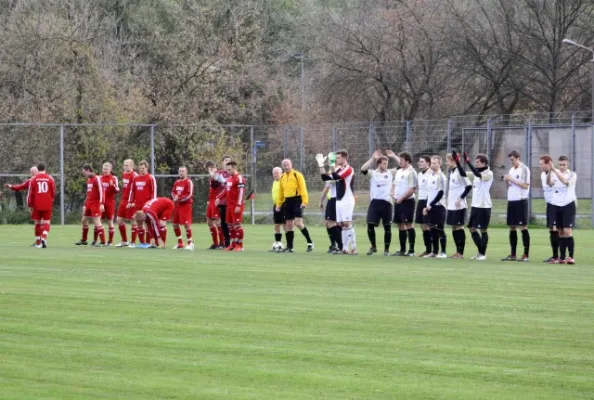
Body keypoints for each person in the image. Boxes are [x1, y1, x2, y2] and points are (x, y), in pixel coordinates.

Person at [318, 150, 356, 254]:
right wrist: (321, 165)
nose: (336, 160)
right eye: (335, 158)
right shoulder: (339, 170)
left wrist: (331, 164)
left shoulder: (349, 169)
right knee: (341, 224)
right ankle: (344, 249)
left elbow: (336, 176)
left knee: (347, 223)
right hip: (339, 200)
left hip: (347, 199)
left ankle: (353, 248)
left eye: (338, 158)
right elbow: (325, 177)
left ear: (344, 158)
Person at [360, 150, 396, 256]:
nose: (386, 165)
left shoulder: (390, 173)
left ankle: (386, 250)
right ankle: (373, 246)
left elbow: (401, 165)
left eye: (387, 163)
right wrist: (372, 159)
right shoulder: (373, 174)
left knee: (387, 227)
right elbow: (363, 169)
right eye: (384, 163)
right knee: (370, 225)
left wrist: (393, 156)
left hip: (387, 203)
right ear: (379, 164)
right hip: (375, 203)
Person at [275, 158, 314, 252]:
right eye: (284, 165)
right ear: (282, 167)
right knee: (289, 224)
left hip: (297, 200)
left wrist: (305, 201)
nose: (286, 167)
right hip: (287, 201)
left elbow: (303, 188)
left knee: (298, 223)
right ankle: (290, 247)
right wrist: (279, 204)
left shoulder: (297, 175)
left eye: (288, 165)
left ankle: (310, 242)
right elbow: (281, 192)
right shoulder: (282, 177)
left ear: (291, 165)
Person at [501, 150, 531, 262]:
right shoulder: (511, 170)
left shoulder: (524, 169)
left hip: (520, 201)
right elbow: (510, 185)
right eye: (510, 160)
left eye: (513, 160)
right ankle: (513, 254)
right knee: (512, 227)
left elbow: (525, 185)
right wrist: (507, 180)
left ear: (518, 158)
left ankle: (525, 254)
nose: (511, 162)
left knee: (523, 227)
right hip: (512, 201)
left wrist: (512, 179)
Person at [463, 152, 494, 260]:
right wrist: (457, 161)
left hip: (484, 206)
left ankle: (482, 254)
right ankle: (480, 252)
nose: (476, 164)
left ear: (484, 163)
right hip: (475, 205)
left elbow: (477, 174)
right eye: (475, 162)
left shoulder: (489, 173)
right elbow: (463, 173)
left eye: (477, 162)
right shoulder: (476, 173)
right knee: (471, 228)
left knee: (483, 230)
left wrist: (468, 162)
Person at [548, 156, 577, 264]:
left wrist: (554, 170)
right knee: (560, 231)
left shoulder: (572, 175)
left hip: (568, 205)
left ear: (567, 164)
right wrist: (549, 171)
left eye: (564, 164)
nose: (562, 167)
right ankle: (562, 257)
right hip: (557, 205)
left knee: (567, 231)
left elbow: (565, 181)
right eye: (560, 164)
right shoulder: (554, 173)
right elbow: (549, 183)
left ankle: (571, 256)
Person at [445, 152, 472, 259]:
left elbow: (469, 186)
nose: (446, 163)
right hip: (451, 206)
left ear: (452, 161)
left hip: (459, 206)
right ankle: (457, 252)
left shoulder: (460, 172)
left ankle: (461, 253)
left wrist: (460, 198)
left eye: (447, 161)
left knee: (459, 227)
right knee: (454, 227)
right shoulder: (452, 172)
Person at [5, 166, 40, 245]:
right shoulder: (30, 181)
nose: (31, 174)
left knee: (38, 222)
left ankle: (40, 240)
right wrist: (12, 186)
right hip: (33, 205)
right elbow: (21, 186)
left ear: (37, 172)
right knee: (38, 222)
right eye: (31, 172)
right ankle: (40, 239)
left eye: (32, 172)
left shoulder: (34, 181)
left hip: (36, 205)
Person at [391, 151, 417, 256]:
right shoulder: (399, 171)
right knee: (400, 224)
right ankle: (402, 250)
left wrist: (402, 198)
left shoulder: (412, 172)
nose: (400, 162)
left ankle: (411, 250)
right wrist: (392, 192)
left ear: (407, 161)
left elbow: (412, 189)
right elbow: (394, 184)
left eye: (401, 160)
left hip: (407, 201)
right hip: (398, 201)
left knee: (408, 224)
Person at [216, 161, 246, 251]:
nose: (228, 171)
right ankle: (233, 244)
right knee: (230, 225)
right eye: (227, 170)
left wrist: (238, 205)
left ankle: (240, 245)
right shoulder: (229, 179)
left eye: (229, 169)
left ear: (234, 168)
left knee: (237, 225)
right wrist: (219, 197)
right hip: (229, 205)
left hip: (236, 205)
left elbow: (241, 192)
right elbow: (226, 190)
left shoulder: (239, 178)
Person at [127, 160, 157, 248]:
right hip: (138, 205)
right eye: (140, 168)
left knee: (148, 224)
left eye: (143, 168)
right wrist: (130, 202)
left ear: (146, 168)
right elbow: (132, 191)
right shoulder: (135, 178)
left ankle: (148, 242)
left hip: (147, 205)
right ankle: (142, 243)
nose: (141, 170)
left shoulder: (150, 178)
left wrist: (152, 204)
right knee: (139, 223)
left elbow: (153, 192)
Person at [423, 156, 448, 258]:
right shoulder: (430, 176)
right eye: (431, 163)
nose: (432, 164)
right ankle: (435, 252)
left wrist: (431, 205)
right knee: (432, 229)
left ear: (439, 164)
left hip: (438, 207)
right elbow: (429, 193)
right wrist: (426, 206)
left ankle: (443, 252)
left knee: (439, 229)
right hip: (430, 207)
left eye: (434, 163)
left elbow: (440, 193)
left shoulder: (441, 177)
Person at [75, 165, 106, 246]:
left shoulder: (97, 178)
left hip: (95, 204)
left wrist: (102, 203)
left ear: (88, 170)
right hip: (89, 203)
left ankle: (103, 242)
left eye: (84, 172)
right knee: (84, 220)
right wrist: (85, 204)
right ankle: (84, 240)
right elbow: (89, 194)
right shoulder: (89, 180)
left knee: (97, 222)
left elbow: (102, 191)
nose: (83, 174)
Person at [26, 163, 56, 248]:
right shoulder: (50, 178)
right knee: (47, 222)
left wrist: (30, 205)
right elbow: (53, 192)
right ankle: (44, 237)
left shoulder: (34, 179)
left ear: (38, 169)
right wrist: (51, 199)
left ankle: (38, 243)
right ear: (45, 168)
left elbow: (30, 193)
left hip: (37, 204)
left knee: (37, 223)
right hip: (47, 203)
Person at [115, 159, 138, 247]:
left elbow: (136, 190)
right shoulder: (124, 174)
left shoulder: (135, 175)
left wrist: (133, 201)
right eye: (124, 165)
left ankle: (133, 242)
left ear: (132, 166)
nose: (125, 167)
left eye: (127, 165)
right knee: (119, 220)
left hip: (132, 200)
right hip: (124, 199)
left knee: (133, 220)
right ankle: (124, 241)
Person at [170, 166, 194, 250]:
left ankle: (190, 243)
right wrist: (175, 197)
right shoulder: (176, 182)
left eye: (183, 171)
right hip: (177, 205)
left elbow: (189, 194)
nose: (181, 173)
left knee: (186, 224)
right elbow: (173, 192)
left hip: (186, 205)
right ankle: (180, 242)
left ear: (186, 172)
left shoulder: (188, 182)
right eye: (180, 171)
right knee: (175, 224)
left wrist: (179, 198)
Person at [539, 155, 558, 262]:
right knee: (551, 229)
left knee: (556, 229)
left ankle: (560, 256)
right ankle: (555, 255)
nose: (540, 166)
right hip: (549, 204)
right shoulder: (542, 174)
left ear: (548, 163)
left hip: (556, 204)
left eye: (542, 163)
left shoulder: (555, 173)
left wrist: (552, 169)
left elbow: (550, 183)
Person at [205, 161, 226, 249]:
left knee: (218, 222)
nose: (208, 171)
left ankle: (222, 243)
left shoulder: (218, 174)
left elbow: (222, 182)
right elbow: (212, 188)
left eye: (208, 169)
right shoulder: (211, 177)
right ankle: (215, 243)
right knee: (209, 222)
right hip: (211, 200)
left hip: (217, 200)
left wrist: (213, 174)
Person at [97, 162, 120, 246]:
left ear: (110, 169)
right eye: (104, 168)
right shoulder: (99, 178)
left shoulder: (113, 178)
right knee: (99, 221)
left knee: (110, 221)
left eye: (106, 169)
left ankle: (110, 241)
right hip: (101, 203)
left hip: (110, 203)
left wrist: (113, 185)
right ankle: (100, 240)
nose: (105, 170)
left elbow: (117, 190)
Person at [415, 155, 432, 257]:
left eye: (422, 162)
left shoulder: (431, 173)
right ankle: (427, 249)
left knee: (428, 225)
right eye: (419, 161)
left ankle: (432, 249)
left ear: (428, 163)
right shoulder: (419, 174)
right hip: (420, 200)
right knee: (422, 225)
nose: (420, 163)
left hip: (427, 200)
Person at [217, 155, 233, 247]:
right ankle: (226, 241)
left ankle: (235, 241)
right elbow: (214, 186)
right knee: (223, 222)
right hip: (222, 201)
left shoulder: (232, 174)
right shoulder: (219, 173)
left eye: (229, 160)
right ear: (222, 162)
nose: (227, 162)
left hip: (231, 201)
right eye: (226, 160)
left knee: (231, 222)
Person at [271, 167, 287, 250]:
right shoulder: (274, 182)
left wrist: (281, 204)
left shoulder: (283, 182)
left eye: (277, 173)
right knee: (277, 225)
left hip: (283, 205)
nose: (275, 175)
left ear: (281, 173)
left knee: (285, 225)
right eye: (274, 173)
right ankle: (278, 243)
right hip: (276, 206)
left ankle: (289, 245)